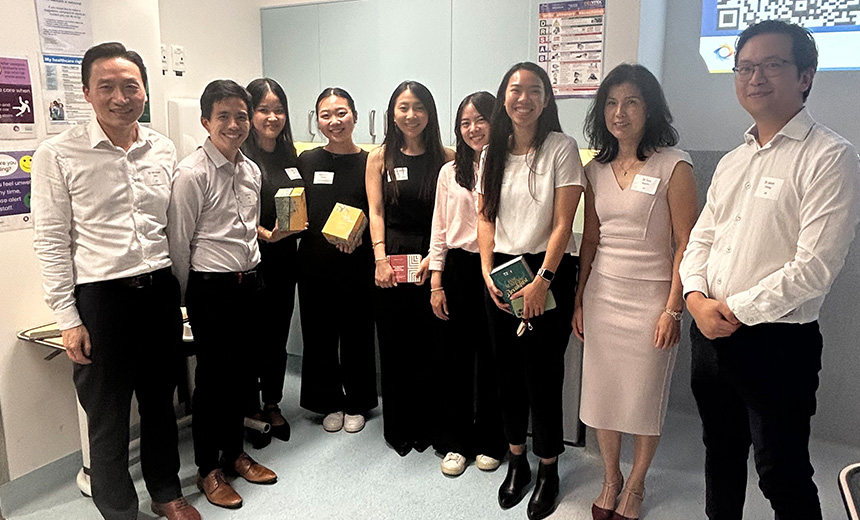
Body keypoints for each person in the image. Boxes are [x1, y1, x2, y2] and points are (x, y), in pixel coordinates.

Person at [679, 20, 860, 520]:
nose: (755, 77)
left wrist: (732, 310)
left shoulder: (831, 156)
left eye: (772, 65)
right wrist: (696, 299)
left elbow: (815, 267)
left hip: (778, 344)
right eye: (745, 67)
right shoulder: (735, 160)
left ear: (805, 75)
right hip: (709, 335)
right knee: (721, 454)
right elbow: (701, 238)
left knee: (782, 470)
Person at [31, 42, 200, 520]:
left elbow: (173, 227)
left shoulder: (163, 148)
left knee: (160, 407)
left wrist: (181, 293)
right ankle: (121, 511)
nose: (120, 97)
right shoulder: (58, 154)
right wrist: (67, 317)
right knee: (107, 421)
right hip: (100, 301)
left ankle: (167, 493)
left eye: (131, 86)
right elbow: (50, 240)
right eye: (107, 86)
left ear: (145, 90)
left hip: (159, 293)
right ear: (86, 92)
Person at [573, 63, 697, 520]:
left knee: (644, 398)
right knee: (604, 396)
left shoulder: (674, 164)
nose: (619, 112)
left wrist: (673, 309)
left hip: (653, 301)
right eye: (610, 102)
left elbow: (687, 242)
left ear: (650, 109)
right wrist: (579, 300)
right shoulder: (595, 169)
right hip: (603, 295)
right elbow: (590, 240)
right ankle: (611, 477)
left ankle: (638, 483)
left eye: (631, 102)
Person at [477, 62, 584, 520]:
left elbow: (563, 224)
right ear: (504, 97)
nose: (523, 98)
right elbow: (485, 218)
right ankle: (516, 460)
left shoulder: (562, 147)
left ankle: (548, 468)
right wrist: (486, 272)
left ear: (546, 100)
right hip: (502, 270)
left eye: (534, 91)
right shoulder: (491, 152)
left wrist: (543, 280)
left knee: (543, 375)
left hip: (548, 270)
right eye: (515, 90)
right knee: (506, 373)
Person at [167, 80, 278, 511]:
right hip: (210, 289)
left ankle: (234, 454)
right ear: (205, 122)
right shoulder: (192, 173)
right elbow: (180, 240)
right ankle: (208, 468)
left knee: (242, 375)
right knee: (212, 382)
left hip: (250, 282)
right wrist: (183, 298)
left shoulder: (250, 170)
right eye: (224, 117)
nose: (234, 125)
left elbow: (248, 230)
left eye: (241, 116)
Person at [366, 80, 454, 457]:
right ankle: (400, 428)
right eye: (403, 107)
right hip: (393, 262)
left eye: (418, 107)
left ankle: (432, 427)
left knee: (433, 347)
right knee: (396, 345)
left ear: (430, 113)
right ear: (392, 113)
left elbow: (452, 215)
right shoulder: (379, 157)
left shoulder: (447, 157)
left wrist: (436, 262)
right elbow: (376, 211)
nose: (411, 115)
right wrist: (380, 259)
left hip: (434, 261)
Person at [429, 91, 507, 477]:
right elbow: (439, 230)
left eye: (481, 120)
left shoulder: (507, 166)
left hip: (497, 268)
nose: (473, 128)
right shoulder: (449, 172)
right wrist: (436, 282)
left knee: (495, 358)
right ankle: (456, 441)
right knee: (456, 359)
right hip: (459, 268)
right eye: (465, 122)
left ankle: (492, 439)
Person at [297, 87, 378, 433]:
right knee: (319, 335)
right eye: (326, 115)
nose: (334, 121)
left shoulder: (370, 161)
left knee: (357, 334)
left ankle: (358, 401)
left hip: (358, 261)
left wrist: (360, 232)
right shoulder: (308, 160)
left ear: (356, 117)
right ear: (317, 121)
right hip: (315, 263)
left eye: (341, 113)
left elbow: (378, 210)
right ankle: (327, 400)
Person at [240, 77, 304, 448]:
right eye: (263, 109)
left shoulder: (290, 155)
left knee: (276, 337)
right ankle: (251, 410)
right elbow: (232, 214)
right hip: (251, 263)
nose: (272, 116)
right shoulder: (243, 157)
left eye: (278, 110)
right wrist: (266, 235)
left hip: (285, 261)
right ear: (250, 112)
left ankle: (273, 402)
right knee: (251, 339)